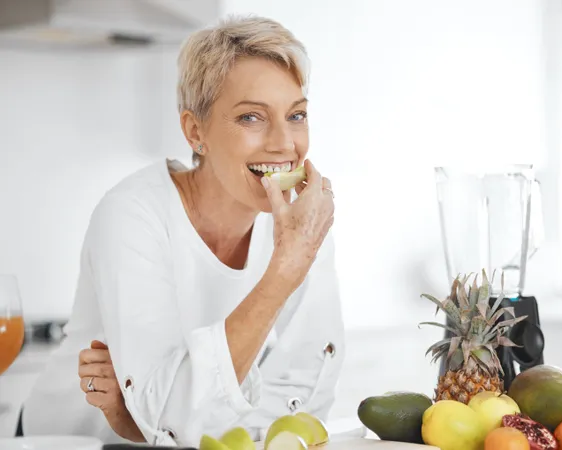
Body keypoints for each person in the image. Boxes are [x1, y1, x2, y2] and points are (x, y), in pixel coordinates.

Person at [21, 15, 345, 447]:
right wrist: (286, 267)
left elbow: (306, 383)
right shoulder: (133, 214)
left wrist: (209, 421)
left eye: (296, 115)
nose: (285, 143)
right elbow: (170, 419)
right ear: (195, 131)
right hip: (63, 440)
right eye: (251, 117)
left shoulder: (302, 219)